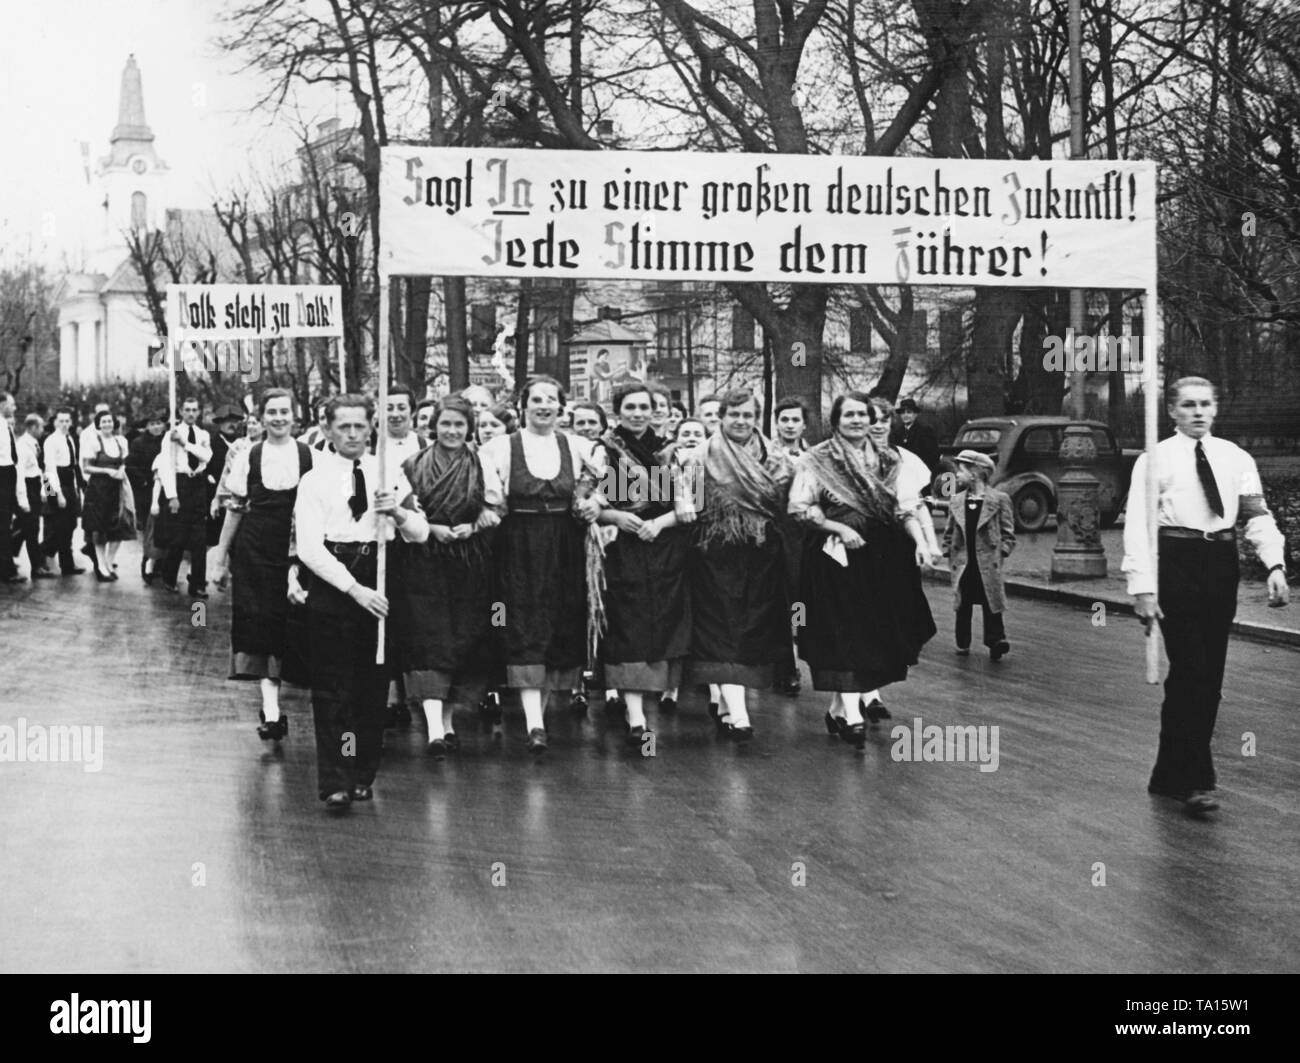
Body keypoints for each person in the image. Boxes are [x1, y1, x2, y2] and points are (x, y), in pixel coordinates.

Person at [1123, 376, 1288, 816]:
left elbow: (1256, 515)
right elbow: (1138, 527)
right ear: (1173, 411)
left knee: (1205, 680)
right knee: (1192, 669)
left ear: (1216, 409)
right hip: (1174, 561)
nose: (1198, 412)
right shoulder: (1154, 460)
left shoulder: (1235, 458)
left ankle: (1166, 772)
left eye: (1205, 404)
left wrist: (1274, 564)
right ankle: (1197, 781)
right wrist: (1141, 587)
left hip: (1220, 563)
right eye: (1188, 405)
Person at [294, 393, 430, 812]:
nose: (352, 434)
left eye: (359, 426)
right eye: (343, 427)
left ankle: (361, 772)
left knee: (372, 686)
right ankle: (334, 779)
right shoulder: (314, 478)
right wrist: (353, 589)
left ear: (372, 426)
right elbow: (309, 550)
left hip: (382, 574)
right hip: (335, 582)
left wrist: (399, 513)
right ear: (329, 428)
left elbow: (421, 533)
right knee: (333, 686)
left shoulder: (388, 473)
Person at [789, 392, 938, 749]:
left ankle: (840, 707)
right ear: (836, 420)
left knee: (872, 632)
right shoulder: (816, 459)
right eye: (849, 415)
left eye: (863, 415)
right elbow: (800, 507)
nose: (857, 421)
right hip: (834, 556)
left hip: (881, 558)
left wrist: (921, 542)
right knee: (843, 630)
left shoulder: (889, 460)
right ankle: (853, 717)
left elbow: (906, 507)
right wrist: (838, 528)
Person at [478, 375, 606, 753]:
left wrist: (594, 502)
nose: (544, 406)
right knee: (521, 622)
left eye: (551, 399)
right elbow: (489, 498)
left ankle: (542, 718)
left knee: (559, 620)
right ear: (524, 405)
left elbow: (613, 481)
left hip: (565, 543)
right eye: (537, 399)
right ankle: (533, 722)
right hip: (517, 543)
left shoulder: (579, 445)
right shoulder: (501, 447)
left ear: (561, 407)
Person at [394, 396, 503, 758]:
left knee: (464, 637)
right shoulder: (412, 465)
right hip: (424, 560)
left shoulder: (482, 462)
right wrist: (434, 528)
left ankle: (449, 720)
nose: (452, 431)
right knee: (429, 638)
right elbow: (406, 512)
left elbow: (496, 506)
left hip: (470, 560)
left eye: (459, 424)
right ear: (434, 427)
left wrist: (481, 520)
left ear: (469, 427)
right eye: (446, 424)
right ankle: (434, 727)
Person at [681, 387, 794, 739]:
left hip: (762, 551)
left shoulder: (777, 458)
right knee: (723, 628)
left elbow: (787, 502)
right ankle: (739, 712)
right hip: (716, 551)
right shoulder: (699, 457)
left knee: (753, 627)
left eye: (748, 415)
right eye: (734, 415)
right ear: (722, 418)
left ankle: (732, 706)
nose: (741, 421)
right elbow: (690, 504)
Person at [211, 389, 314, 743]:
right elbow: (234, 509)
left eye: (285, 411)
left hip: (299, 550)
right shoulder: (248, 456)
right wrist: (220, 558)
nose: (279, 418)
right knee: (261, 628)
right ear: (261, 416)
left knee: (297, 627)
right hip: (256, 552)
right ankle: (271, 712)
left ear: (294, 416)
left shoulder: (310, 455)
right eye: (272, 412)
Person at [594, 383, 691, 741]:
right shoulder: (602, 450)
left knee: (661, 623)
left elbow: (688, 506)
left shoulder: (672, 451)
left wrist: (659, 523)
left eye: (644, 407)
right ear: (618, 411)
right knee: (627, 626)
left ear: (654, 411)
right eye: (630, 407)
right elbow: (584, 503)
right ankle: (635, 717)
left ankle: (657, 696)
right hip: (620, 549)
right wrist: (615, 517)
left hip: (665, 549)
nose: (637, 414)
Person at [859, 395, 942, 719]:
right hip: (857, 544)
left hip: (893, 548)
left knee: (892, 617)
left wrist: (926, 543)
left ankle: (869, 685)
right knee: (860, 618)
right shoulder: (848, 459)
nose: (878, 425)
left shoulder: (903, 459)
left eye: (883, 418)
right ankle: (865, 694)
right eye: (871, 418)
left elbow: (912, 507)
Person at [943, 450, 1015, 660]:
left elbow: (1008, 533)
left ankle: (996, 640)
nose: (956, 474)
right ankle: (962, 641)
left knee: (990, 599)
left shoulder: (999, 499)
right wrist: (948, 551)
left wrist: (1002, 552)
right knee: (963, 601)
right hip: (964, 560)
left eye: (961, 470)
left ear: (975, 472)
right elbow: (950, 532)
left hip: (987, 561)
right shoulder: (956, 501)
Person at [771, 397, 810, 696]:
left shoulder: (814, 457)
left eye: (795, 420)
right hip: (774, 534)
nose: (789, 425)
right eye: (784, 419)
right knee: (778, 603)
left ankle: (800, 660)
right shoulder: (767, 455)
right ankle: (786, 667)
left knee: (800, 601)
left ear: (804, 424)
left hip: (805, 537)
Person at [157, 397, 214, 598]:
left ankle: (198, 584)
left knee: (200, 538)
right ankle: (169, 576)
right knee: (178, 537)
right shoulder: (170, 435)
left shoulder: (202, 434)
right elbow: (166, 467)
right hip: (180, 483)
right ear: (181, 411)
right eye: (187, 410)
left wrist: (185, 444)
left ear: (199, 412)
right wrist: (172, 495)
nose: (191, 413)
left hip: (197, 484)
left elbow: (207, 457)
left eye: (195, 410)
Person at [80, 409, 134, 582]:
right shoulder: (92, 441)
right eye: (103, 422)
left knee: (119, 526)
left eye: (109, 421)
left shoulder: (121, 441)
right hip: (98, 490)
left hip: (116, 489)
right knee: (98, 529)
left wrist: (121, 470)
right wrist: (107, 471)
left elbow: (126, 461)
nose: (107, 425)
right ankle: (100, 566)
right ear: (98, 424)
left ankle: (108, 563)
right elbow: (85, 467)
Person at [41, 408, 85, 576]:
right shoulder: (50, 440)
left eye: (67, 421)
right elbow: (50, 469)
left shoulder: (70, 439)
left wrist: (76, 488)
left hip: (68, 483)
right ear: (55, 422)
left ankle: (66, 564)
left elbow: (72, 467)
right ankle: (43, 554)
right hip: (53, 482)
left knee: (71, 524)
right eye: (61, 421)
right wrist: (57, 494)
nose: (65, 424)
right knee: (58, 524)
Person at [126, 411, 166, 583]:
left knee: (164, 528)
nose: (157, 427)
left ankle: (160, 564)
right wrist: (143, 481)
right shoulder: (138, 443)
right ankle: (147, 562)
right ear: (147, 426)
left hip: (165, 489)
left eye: (159, 423)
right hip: (146, 491)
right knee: (149, 528)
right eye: (153, 424)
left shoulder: (167, 441)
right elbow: (130, 466)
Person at [15, 414, 51, 579]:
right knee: (31, 528)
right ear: (32, 428)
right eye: (41, 427)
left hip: (36, 486)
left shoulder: (35, 443)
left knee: (32, 527)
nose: (43, 430)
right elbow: (20, 474)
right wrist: (24, 500)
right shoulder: (22, 446)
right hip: (28, 488)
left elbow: (41, 469)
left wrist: (46, 491)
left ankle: (36, 563)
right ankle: (36, 567)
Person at [0, 392, 28, 583]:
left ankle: (9, 562)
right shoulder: (31, 444)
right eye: (12, 404)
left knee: (22, 522)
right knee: (8, 524)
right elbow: (49, 471)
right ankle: (8, 567)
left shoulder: (5, 426)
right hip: (10, 479)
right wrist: (51, 493)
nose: (15, 408)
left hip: (18, 482)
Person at [892, 398, 941, 478]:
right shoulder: (897, 433)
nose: (905, 415)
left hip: (921, 474)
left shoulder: (925, 431)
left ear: (915, 414)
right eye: (903, 413)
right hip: (902, 475)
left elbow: (933, 457)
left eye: (909, 412)